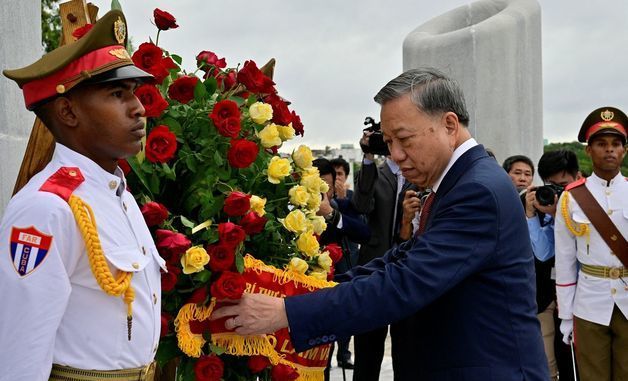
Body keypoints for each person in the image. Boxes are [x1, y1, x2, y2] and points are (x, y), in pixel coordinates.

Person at [212, 67, 549, 381]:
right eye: (388, 143)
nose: (396, 155)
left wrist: (286, 311)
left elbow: (404, 282)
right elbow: (400, 259)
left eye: (404, 139)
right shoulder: (458, 183)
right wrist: (302, 287)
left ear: (449, 125)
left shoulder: (477, 190)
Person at [0, 10, 164, 381]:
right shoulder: (46, 209)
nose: (139, 108)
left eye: (134, 93)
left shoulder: (115, 193)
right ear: (68, 111)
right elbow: (20, 357)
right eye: (117, 94)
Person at [554, 106, 628, 381]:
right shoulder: (571, 198)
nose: (609, 150)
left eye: (616, 144)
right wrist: (566, 315)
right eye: (600, 143)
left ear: (624, 150)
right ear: (588, 150)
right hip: (588, 304)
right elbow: (564, 262)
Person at [350, 139, 415, 380]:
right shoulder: (375, 173)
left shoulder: (419, 173)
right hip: (373, 266)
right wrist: (367, 157)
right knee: (367, 347)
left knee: (406, 349)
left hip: (408, 269)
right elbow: (361, 205)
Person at [523, 150, 582, 381]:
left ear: (578, 177)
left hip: (585, 294)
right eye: (551, 185)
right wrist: (531, 215)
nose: (558, 191)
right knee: (554, 358)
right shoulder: (546, 208)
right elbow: (544, 252)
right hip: (551, 296)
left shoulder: (588, 204)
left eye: (563, 184)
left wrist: (561, 214)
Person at [312, 158, 370, 379]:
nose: (320, 196)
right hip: (307, 287)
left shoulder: (341, 206)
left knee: (329, 347)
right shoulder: (295, 207)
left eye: (325, 188)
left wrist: (331, 213)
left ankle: (342, 355)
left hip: (337, 281)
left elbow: (364, 233)